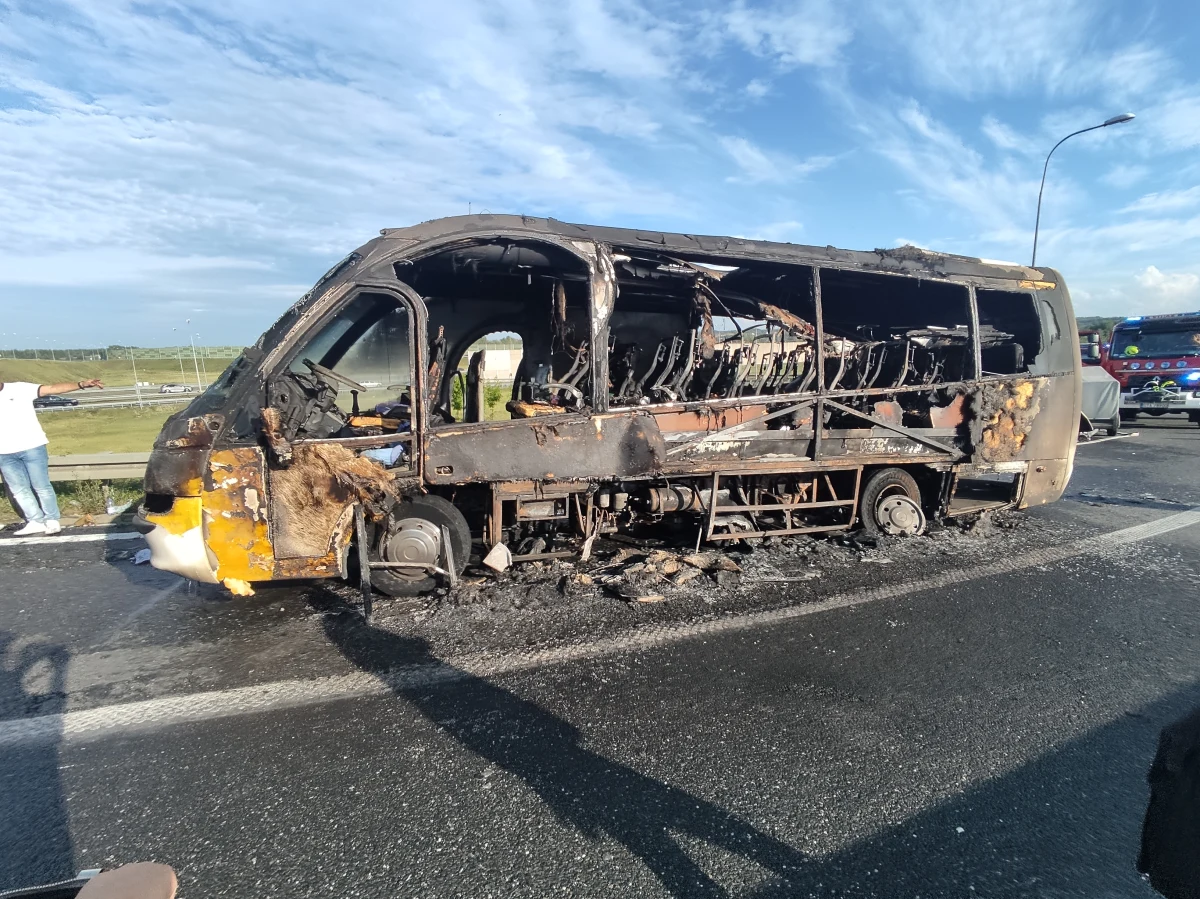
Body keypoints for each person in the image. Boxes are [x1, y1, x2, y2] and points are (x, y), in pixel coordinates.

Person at [0, 378, 103, 536]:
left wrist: (80, 384)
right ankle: (35, 521)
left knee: (41, 485)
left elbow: (52, 388)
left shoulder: (19, 389)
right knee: (19, 490)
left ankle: (52, 520)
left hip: (32, 446)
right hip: (3, 452)